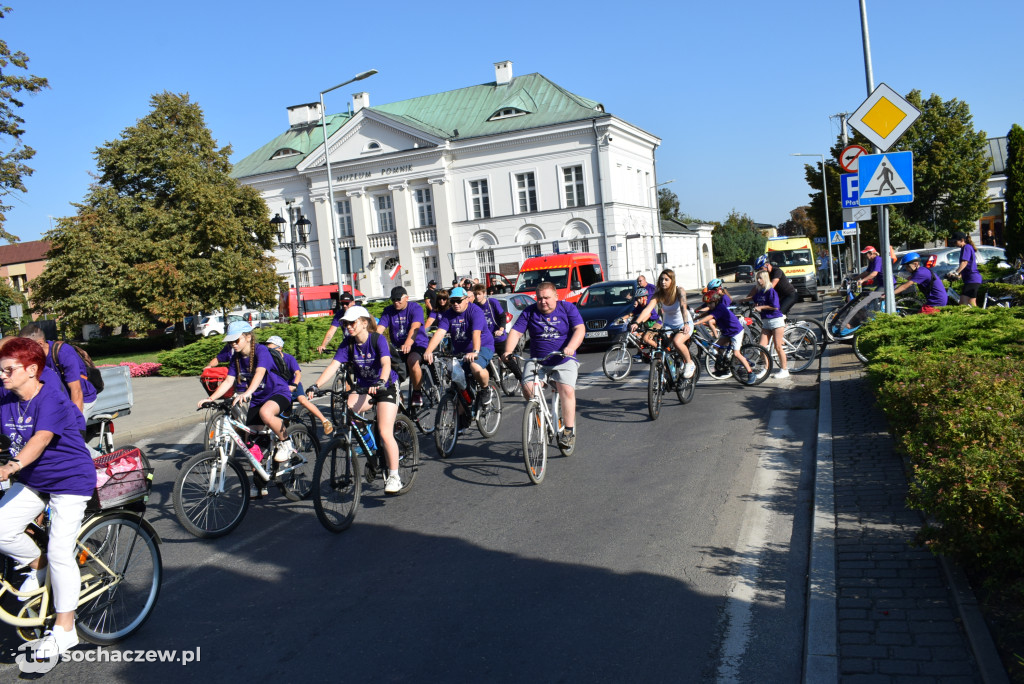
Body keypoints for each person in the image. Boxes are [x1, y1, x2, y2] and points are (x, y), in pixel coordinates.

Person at [0, 337, 97, 659]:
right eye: (0, 370)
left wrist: (12, 465)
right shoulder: (6, 396)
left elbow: (40, 439)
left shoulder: (51, 398)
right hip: (33, 480)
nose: (3, 375)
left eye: (8, 370)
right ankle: (40, 568)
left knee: (59, 549)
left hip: (70, 480)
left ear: (31, 370)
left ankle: (65, 630)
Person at [308, 306, 403, 494]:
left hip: (386, 386)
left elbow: (386, 364)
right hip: (364, 388)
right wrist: (315, 386)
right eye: (345, 323)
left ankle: (394, 476)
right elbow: (333, 366)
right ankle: (371, 450)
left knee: (385, 432)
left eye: (352, 323)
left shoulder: (377, 339)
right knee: (348, 411)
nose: (348, 326)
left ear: (364, 323)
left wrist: (382, 381)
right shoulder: (348, 344)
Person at [199, 321, 296, 469]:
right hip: (258, 398)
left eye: (236, 340)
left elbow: (260, 372)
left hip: (278, 392)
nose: (233, 344)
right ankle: (260, 482)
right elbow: (228, 381)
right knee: (250, 442)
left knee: (266, 413)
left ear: (248, 337)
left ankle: (286, 443)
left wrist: (248, 392)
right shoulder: (236, 358)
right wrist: (210, 398)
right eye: (231, 341)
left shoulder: (261, 351)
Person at [502, 282, 585, 449]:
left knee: (567, 390)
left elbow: (579, 329)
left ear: (556, 296)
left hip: (563, 359)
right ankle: (540, 416)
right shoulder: (529, 312)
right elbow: (516, 332)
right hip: (537, 361)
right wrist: (508, 352)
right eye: (539, 298)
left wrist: (571, 347)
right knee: (527, 389)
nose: (543, 301)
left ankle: (568, 431)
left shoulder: (567, 308)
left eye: (546, 298)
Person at [422, 286, 495, 404]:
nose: (455, 304)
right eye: (452, 301)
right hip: (460, 351)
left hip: (482, 346)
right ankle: (465, 412)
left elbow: (476, 333)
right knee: (457, 383)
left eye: (458, 301)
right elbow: (440, 333)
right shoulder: (448, 314)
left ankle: (486, 389)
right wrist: (428, 351)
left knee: (475, 367)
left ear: (466, 299)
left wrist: (475, 351)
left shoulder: (475, 311)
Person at [18, 324, 97, 418]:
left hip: (82, 398)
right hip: (60, 400)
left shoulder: (64, 353)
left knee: (65, 429)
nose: (24, 353)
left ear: (40, 343)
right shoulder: (34, 359)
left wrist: (75, 425)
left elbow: (76, 391)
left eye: (27, 348)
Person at [264, 335, 333, 434]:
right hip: (281, 388)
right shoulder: (268, 360)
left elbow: (298, 374)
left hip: (293, 384)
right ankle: (286, 433)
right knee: (283, 412)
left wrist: (294, 385)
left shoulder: (289, 358)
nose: (268, 352)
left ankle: (324, 421)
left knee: (303, 400)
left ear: (279, 348)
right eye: (267, 349)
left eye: (271, 349)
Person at [692, 278, 756, 385]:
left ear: (715, 301)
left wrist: (696, 324)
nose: (708, 306)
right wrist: (693, 320)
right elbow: (703, 314)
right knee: (713, 349)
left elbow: (709, 317)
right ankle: (723, 367)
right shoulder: (713, 306)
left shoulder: (720, 307)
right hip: (727, 332)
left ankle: (750, 373)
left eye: (709, 304)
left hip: (735, 331)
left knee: (736, 353)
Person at [376, 286, 430, 406]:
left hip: (417, 344)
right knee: (388, 371)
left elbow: (415, 327)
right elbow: (380, 328)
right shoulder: (388, 310)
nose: (396, 302)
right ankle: (398, 403)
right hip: (397, 348)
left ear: (406, 298)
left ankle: (417, 392)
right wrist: (371, 341)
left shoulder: (415, 308)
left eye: (398, 299)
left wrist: (408, 343)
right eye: (393, 300)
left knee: (412, 361)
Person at [751, 270, 789, 379]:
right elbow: (754, 299)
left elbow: (775, 306)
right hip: (766, 322)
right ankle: (766, 369)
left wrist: (761, 307)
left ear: (765, 278)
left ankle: (784, 370)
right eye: (757, 278)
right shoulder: (760, 291)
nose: (758, 280)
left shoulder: (771, 291)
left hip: (776, 320)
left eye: (760, 278)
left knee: (778, 346)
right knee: (761, 347)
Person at [948, 231, 982, 306]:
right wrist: (959, 275)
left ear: (962, 240)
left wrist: (956, 272)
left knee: (966, 303)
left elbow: (964, 263)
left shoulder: (966, 247)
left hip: (972, 279)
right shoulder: (966, 248)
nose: (954, 244)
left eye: (955, 241)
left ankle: (979, 316)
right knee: (967, 303)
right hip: (970, 279)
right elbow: (967, 266)